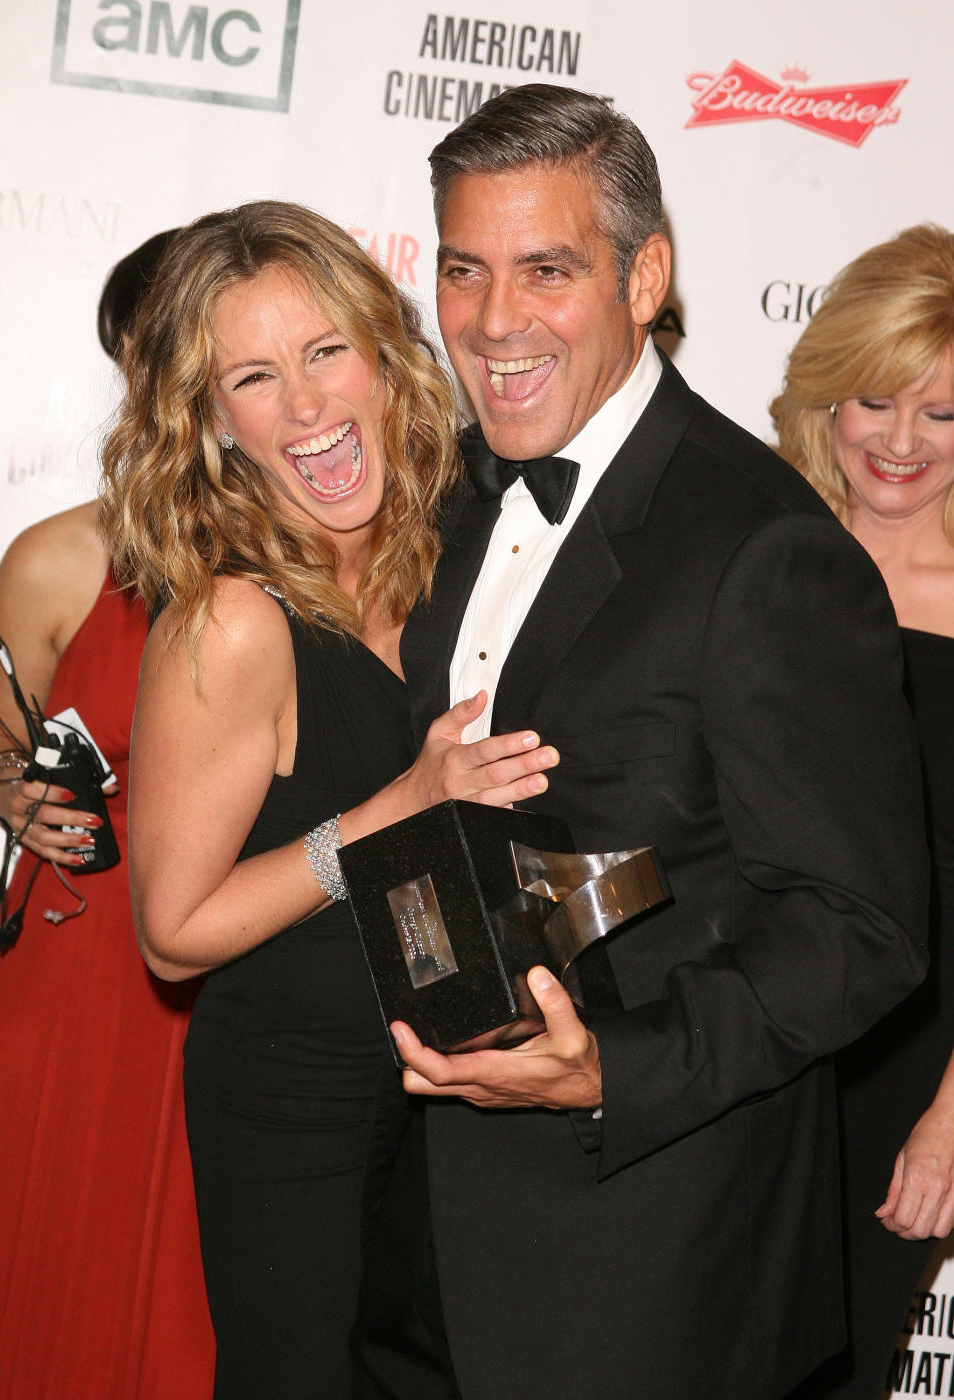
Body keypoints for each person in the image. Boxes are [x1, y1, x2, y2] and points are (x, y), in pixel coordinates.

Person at [355, 84, 931, 1400]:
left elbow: (860, 928)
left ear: (644, 273)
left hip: (645, 1268)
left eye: (546, 270)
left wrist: (610, 1068)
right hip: (413, 1247)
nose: (494, 322)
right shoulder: (436, 493)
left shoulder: (763, 545)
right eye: (463, 269)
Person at [97, 199, 556, 1399]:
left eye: (323, 351)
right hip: (294, 1101)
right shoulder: (234, 618)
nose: (304, 407)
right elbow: (172, 929)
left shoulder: (441, 547)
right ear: (211, 421)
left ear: (382, 352)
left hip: (445, 1082)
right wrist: (399, 801)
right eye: (254, 375)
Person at [0, 230, 216, 1398]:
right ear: (132, 366)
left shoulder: (319, 554)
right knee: (57, 1254)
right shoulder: (53, 558)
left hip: (233, 960)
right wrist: (7, 789)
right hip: (80, 965)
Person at [771, 224, 954, 1400]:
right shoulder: (758, 557)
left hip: (905, 1064)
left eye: (942, 415)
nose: (897, 442)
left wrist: (953, 1113)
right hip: (731, 1039)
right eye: (873, 398)